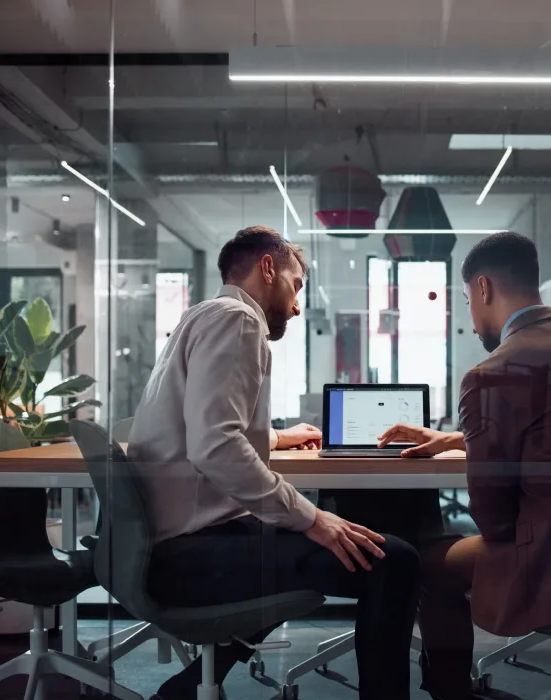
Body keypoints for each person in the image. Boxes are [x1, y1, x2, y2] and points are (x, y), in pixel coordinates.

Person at [127, 225, 420, 700]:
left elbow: (203, 422)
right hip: (187, 555)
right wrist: (313, 518)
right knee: (394, 560)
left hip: (165, 543)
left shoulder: (202, 315)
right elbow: (216, 447)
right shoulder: (238, 321)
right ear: (268, 268)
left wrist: (281, 437)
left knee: (286, 537)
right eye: (297, 285)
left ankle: (185, 688)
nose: (299, 305)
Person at [379, 231, 551, 700]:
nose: (472, 313)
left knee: (424, 564)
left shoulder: (490, 375)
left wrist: (487, 446)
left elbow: (495, 519)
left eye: (467, 300)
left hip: (548, 559)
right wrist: (464, 440)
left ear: (483, 288)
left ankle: (451, 693)